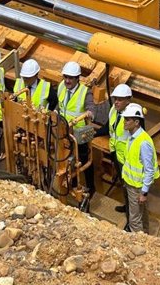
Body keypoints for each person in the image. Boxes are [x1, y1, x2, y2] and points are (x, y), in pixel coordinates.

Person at [57, 61, 96, 194]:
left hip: (79, 135)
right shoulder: (61, 86)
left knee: (85, 160)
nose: (67, 81)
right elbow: (60, 105)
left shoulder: (85, 92)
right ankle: (72, 183)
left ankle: (91, 187)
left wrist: (90, 113)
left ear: (77, 78)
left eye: (70, 78)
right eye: (65, 77)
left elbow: (91, 106)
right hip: (64, 132)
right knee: (69, 160)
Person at [120, 102, 160, 234]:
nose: (124, 122)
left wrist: (143, 192)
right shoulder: (133, 136)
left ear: (136, 122)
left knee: (134, 218)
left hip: (137, 187)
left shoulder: (143, 142)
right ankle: (146, 235)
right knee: (141, 214)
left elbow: (149, 170)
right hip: (131, 183)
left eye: (127, 119)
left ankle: (138, 243)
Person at [95, 84, 133, 213]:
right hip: (116, 154)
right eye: (115, 98)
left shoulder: (132, 117)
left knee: (131, 186)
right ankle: (127, 206)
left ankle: (131, 214)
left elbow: (139, 138)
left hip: (128, 157)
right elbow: (108, 127)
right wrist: (94, 134)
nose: (116, 101)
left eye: (120, 99)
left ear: (128, 100)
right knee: (123, 184)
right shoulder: (113, 110)